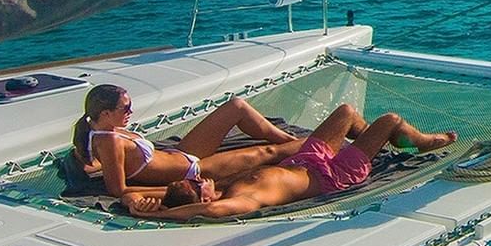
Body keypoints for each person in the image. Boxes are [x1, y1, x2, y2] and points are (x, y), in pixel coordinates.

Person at [133, 104, 456, 221]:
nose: (199, 178)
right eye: (196, 185)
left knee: (346, 113)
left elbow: (130, 194)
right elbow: (208, 212)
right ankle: (420, 141)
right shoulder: (239, 200)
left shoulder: (218, 187)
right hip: (333, 176)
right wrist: (165, 215)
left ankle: (379, 142)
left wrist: (142, 205)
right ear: (202, 199)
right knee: (390, 119)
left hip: (306, 160)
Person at [68, 83, 312, 206]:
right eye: (126, 108)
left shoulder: (100, 130)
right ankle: (319, 145)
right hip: (191, 171)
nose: (131, 112)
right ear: (106, 113)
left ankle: (294, 141)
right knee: (267, 152)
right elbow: (117, 190)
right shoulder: (109, 140)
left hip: (181, 153)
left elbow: (96, 162)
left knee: (236, 107)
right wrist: (168, 190)